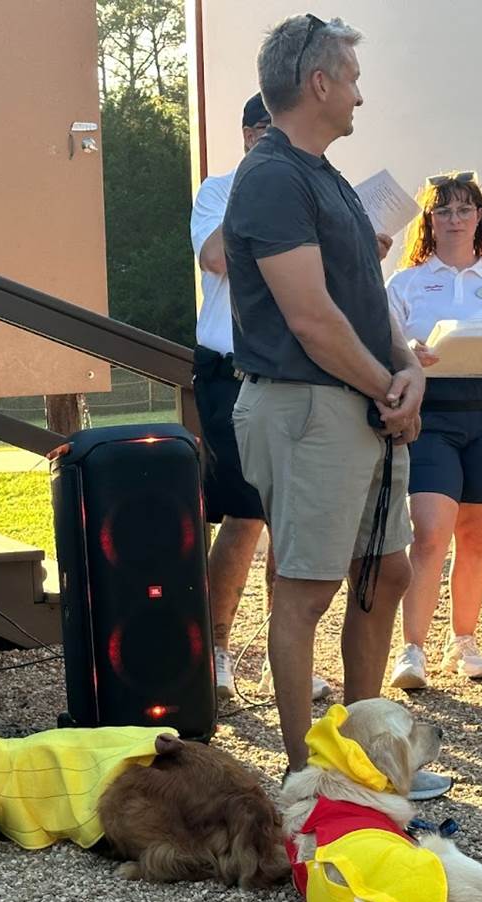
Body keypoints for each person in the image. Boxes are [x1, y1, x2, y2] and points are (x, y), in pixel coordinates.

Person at [224, 16, 427, 779]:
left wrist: (406, 370)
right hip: (311, 405)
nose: (359, 96)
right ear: (318, 83)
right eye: (351, 79)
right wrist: (389, 389)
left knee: (386, 574)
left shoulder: (324, 175)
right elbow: (310, 317)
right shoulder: (272, 176)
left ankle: (361, 757)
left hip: (360, 403)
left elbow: (362, 295)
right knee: (306, 589)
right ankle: (307, 775)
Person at [191, 92, 329, 703]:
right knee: (245, 513)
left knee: (290, 518)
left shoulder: (309, 194)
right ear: (249, 135)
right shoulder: (219, 191)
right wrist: (255, 191)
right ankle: (216, 650)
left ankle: (285, 659)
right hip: (230, 368)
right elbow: (215, 257)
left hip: (297, 369)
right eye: (266, 130)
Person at [386, 172, 482, 689]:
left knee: (476, 535)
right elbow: (384, 347)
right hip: (429, 415)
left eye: (464, 209)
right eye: (444, 210)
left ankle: (464, 641)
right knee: (429, 532)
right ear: (429, 220)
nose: (454, 219)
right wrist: (410, 355)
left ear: (479, 217)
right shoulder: (405, 282)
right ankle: (412, 650)